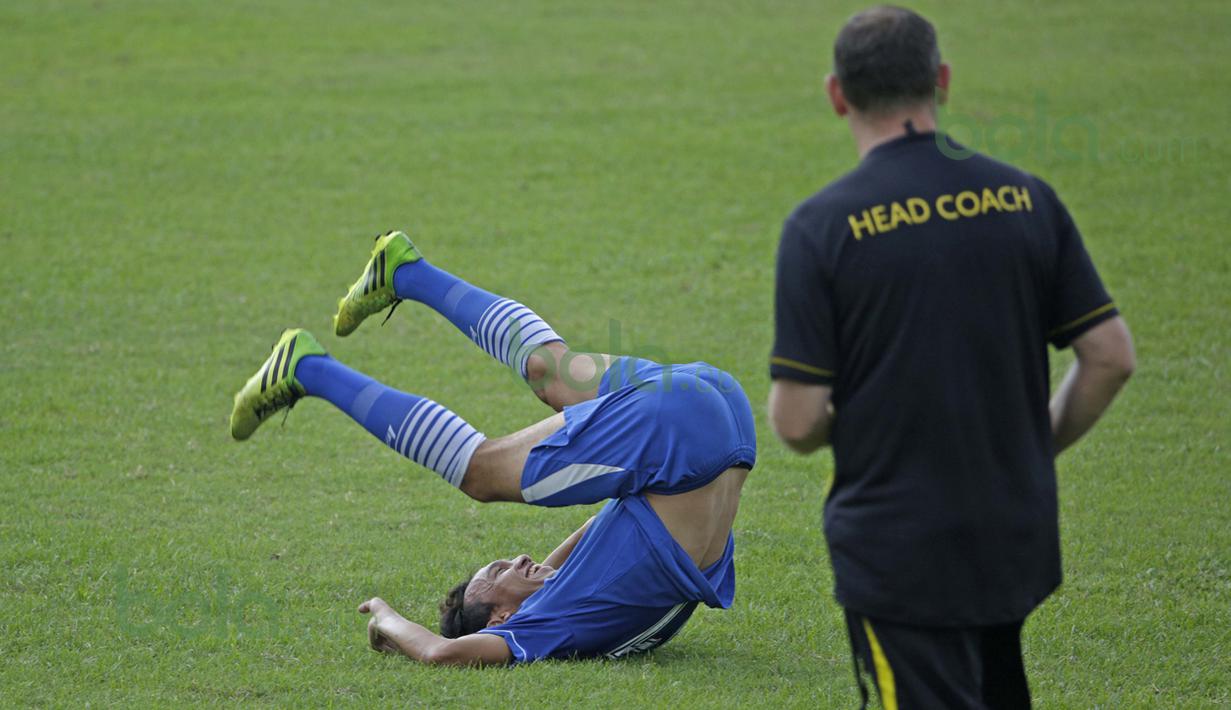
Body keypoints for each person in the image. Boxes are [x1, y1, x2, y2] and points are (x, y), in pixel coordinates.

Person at [767, 6, 1135, 708]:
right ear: (940, 81)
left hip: (898, 546)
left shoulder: (821, 227)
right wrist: (1035, 443)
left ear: (836, 93)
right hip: (1011, 528)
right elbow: (1109, 357)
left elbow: (795, 421)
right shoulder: (1025, 197)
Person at [229, 231, 756, 666]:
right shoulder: (543, 625)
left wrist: (400, 616)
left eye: (501, 562)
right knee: (496, 452)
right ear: (501, 619)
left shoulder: (563, 608)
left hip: (716, 425)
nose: (520, 557)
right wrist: (387, 618)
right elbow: (443, 653)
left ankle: (389, 288)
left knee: (538, 389)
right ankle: (313, 361)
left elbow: (576, 552)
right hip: (698, 422)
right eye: (500, 571)